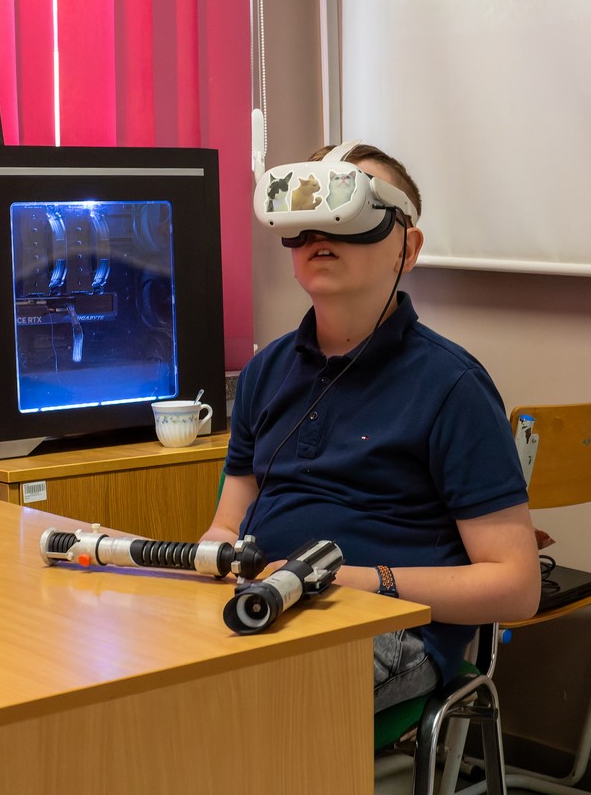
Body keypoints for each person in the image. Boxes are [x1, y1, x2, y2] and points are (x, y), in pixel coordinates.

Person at [200, 142, 540, 711]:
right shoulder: (266, 371)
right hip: (264, 607)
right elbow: (227, 525)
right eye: (308, 216)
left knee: (230, 708)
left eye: (352, 213)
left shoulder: (451, 385)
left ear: (408, 248)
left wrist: (355, 580)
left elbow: (517, 585)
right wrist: (211, 557)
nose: (322, 234)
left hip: (389, 630)